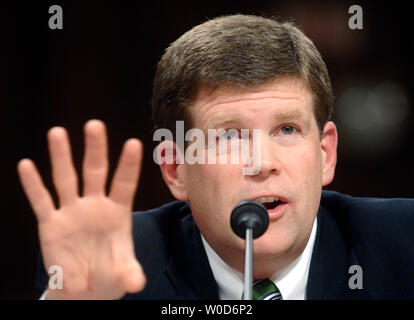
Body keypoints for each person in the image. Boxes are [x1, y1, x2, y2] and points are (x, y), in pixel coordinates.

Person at [18, 14, 414, 300]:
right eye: (230, 136)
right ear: (176, 170)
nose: (262, 162)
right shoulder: (115, 262)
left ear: (325, 154)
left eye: (287, 130)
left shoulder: (401, 241)